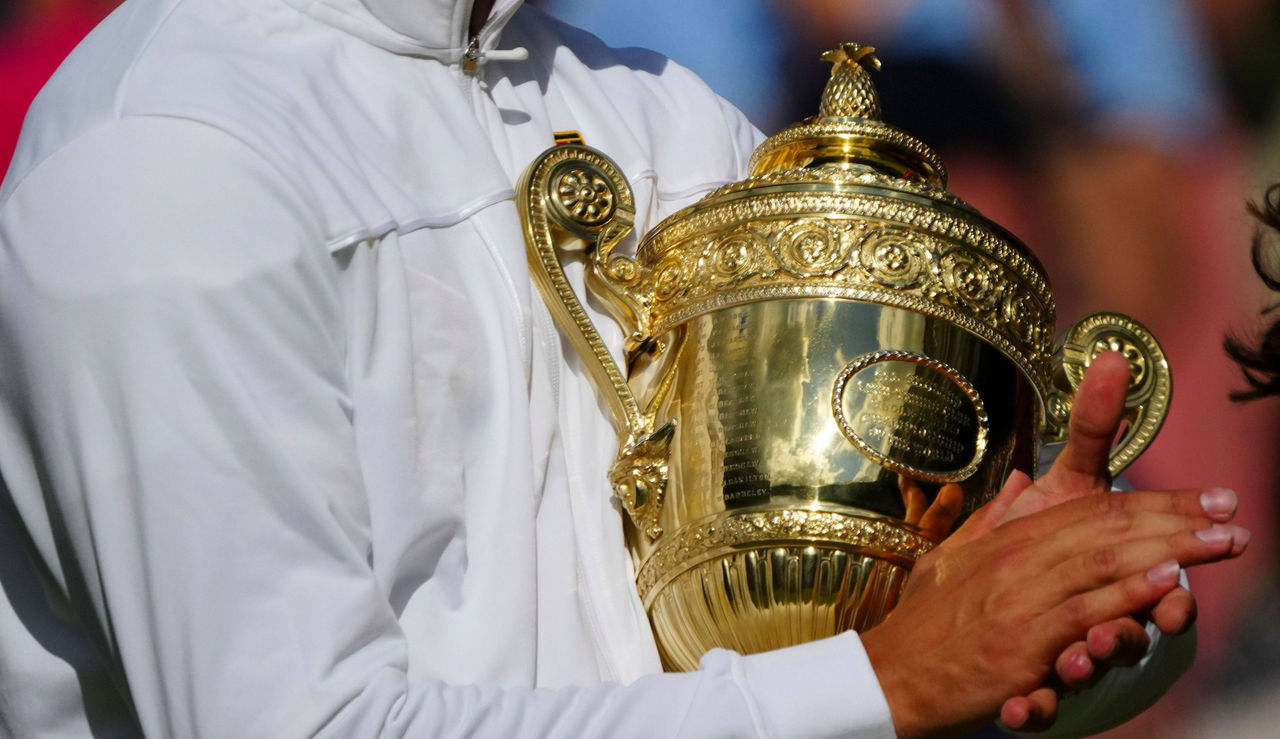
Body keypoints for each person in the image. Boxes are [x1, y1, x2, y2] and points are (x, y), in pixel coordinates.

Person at [0, 0, 1247, 736]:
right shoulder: (156, 160)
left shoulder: (664, 115)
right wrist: (889, 681)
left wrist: (1075, 606)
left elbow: (890, 639)